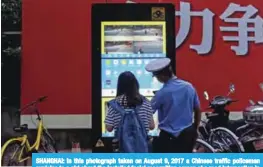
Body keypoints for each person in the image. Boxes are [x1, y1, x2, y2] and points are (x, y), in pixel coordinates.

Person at [145, 58, 202, 153]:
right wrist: (194, 129)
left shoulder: (161, 93)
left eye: (156, 76)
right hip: (187, 135)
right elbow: (198, 109)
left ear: (162, 76)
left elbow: (147, 112)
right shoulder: (189, 87)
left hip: (168, 138)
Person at [104, 71, 155, 152]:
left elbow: (109, 128)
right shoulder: (145, 102)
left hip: (122, 151)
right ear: (135, 84)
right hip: (142, 151)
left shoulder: (115, 104)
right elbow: (152, 126)